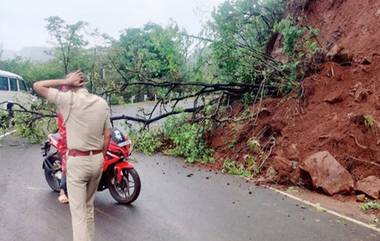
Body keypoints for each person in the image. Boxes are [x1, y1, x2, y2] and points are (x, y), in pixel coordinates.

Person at [33, 70, 112, 241]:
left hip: (78, 161)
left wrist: (65, 81)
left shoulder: (67, 100)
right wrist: (100, 158)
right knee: (88, 208)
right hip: (97, 159)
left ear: (72, 83)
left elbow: (37, 86)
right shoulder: (102, 103)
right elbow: (107, 136)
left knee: (78, 214)